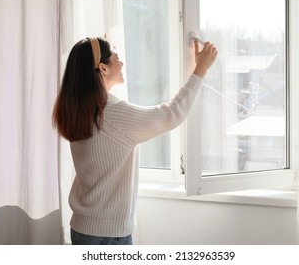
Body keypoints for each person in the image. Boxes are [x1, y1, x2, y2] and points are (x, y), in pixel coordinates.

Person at [52, 37, 217, 245]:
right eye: (117, 57)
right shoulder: (111, 114)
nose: (121, 63)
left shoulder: (78, 111)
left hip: (82, 228)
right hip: (107, 237)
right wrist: (200, 69)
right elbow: (173, 113)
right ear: (102, 68)